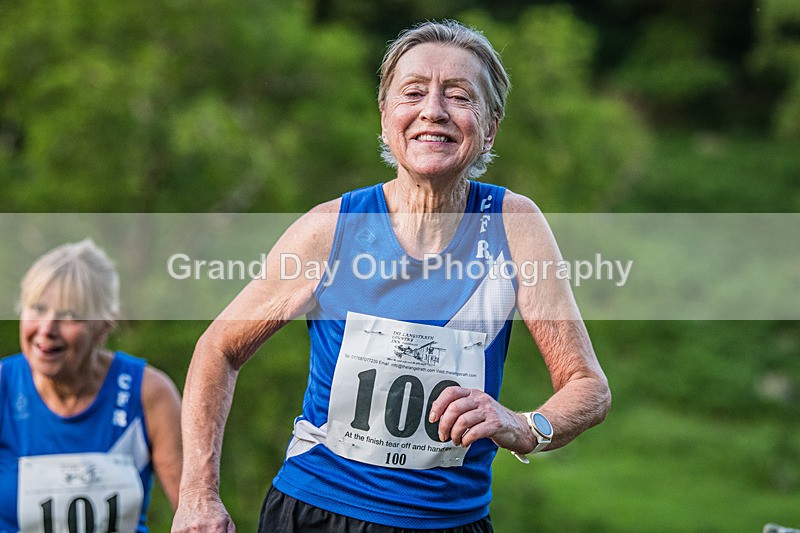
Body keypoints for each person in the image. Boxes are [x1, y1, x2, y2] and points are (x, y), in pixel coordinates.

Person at [172, 19, 611, 533]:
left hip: (450, 522)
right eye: (414, 92)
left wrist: (522, 425)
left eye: (459, 96)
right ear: (385, 118)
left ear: (490, 127)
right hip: (318, 512)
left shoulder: (514, 226)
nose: (434, 111)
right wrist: (197, 496)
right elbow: (218, 348)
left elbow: (588, 387)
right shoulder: (330, 229)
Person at [0, 239, 183, 532]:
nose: (47, 329)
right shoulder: (4, 387)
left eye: (70, 315)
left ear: (104, 327)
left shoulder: (150, 392)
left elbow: (197, 512)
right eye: (37, 309)